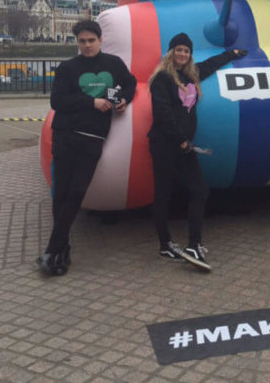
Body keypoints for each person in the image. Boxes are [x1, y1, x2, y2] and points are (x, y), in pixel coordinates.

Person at [38, 20, 137, 276]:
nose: (87, 45)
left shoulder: (114, 64)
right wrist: (91, 103)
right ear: (77, 43)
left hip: (93, 138)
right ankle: (61, 249)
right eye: (82, 41)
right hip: (64, 135)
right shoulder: (67, 68)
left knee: (77, 192)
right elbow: (57, 101)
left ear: (101, 40)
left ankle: (54, 247)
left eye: (91, 40)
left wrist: (124, 100)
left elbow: (131, 83)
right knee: (61, 193)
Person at [148, 33, 247, 272]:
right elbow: (162, 114)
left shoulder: (191, 74)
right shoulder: (162, 78)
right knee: (163, 193)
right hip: (165, 144)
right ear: (171, 52)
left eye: (186, 51)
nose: (182, 54)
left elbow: (211, 64)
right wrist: (181, 141)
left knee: (200, 190)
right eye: (179, 50)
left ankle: (193, 245)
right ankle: (165, 244)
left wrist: (231, 54)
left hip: (184, 145)